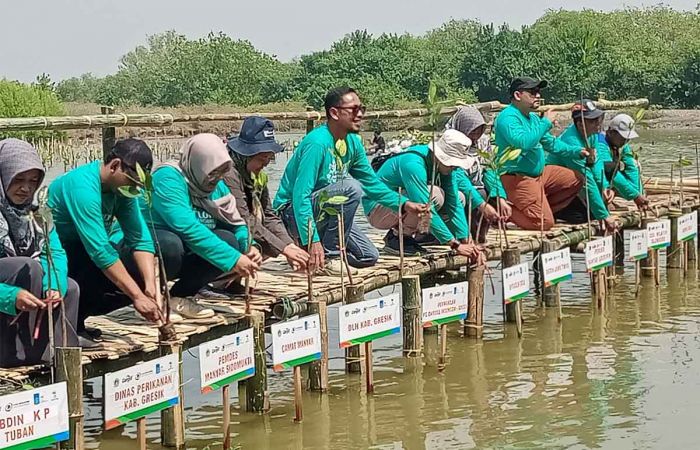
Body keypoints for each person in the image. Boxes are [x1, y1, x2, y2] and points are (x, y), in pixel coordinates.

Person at [273, 87, 428, 274]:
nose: (360, 114)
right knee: (351, 188)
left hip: (328, 212)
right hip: (292, 216)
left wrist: (404, 204)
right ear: (334, 113)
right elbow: (300, 196)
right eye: (353, 109)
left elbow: (372, 184)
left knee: (368, 256)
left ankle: (317, 256)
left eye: (362, 108)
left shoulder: (353, 142)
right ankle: (330, 255)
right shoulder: (317, 143)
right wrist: (311, 239)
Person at [48, 139, 161, 340]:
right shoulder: (83, 187)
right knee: (98, 263)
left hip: (86, 249)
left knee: (135, 272)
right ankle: (69, 326)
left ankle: (79, 319)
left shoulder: (123, 191)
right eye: (132, 182)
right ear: (115, 165)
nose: (134, 189)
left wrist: (149, 287)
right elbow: (99, 250)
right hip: (59, 252)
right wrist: (137, 296)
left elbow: (140, 238)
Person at [146, 133, 259, 316]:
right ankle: (151, 298)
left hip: (186, 250)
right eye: (212, 172)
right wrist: (234, 259)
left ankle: (180, 296)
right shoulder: (168, 178)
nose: (218, 178)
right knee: (169, 243)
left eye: (222, 172)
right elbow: (187, 227)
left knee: (229, 240)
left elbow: (236, 224)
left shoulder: (215, 187)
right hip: (152, 250)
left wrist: (249, 247)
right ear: (199, 164)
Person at [0, 139, 83, 366]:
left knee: (70, 287)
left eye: (33, 181)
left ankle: (58, 354)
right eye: (17, 180)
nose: (26, 188)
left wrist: (54, 286)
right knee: (28, 266)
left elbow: (54, 252)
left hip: (24, 283)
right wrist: (10, 296)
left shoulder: (38, 215)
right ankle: (12, 353)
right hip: (4, 291)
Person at [366, 129, 485, 263]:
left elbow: (454, 203)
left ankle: (423, 234)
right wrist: (454, 244)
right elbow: (423, 206)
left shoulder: (444, 168)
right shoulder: (413, 164)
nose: (454, 168)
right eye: (453, 164)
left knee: (460, 197)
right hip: (377, 209)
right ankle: (398, 237)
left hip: (403, 207)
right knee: (434, 195)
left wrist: (466, 241)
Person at [495, 77, 585, 231]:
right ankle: (503, 212)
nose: (538, 95)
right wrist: (546, 123)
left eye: (538, 92)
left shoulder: (533, 118)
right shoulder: (508, 117)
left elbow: (552, 144)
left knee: (576, 179)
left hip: (539, 175)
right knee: (544, 224)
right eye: (532, 92)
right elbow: (523, 142)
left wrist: (577, 152)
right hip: (518, 178)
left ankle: (539, 206)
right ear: (518, 95)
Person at [225, 117, 309, 270]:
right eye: (262, 158)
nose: (265, 164)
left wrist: (289, 244)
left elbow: (269, 214)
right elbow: (245, 219)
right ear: (246, 154)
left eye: (269, 158)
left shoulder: (258, 175)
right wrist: (283, 248)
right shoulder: (228, 173)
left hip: (246, 229)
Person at [548, 100, 617, 231]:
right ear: (580, 124)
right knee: (585, 216)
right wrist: (604, 215)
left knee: (593, 212)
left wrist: (604, 187)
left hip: (573, 187)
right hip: (557, 189)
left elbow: (596, 165)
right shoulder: (571, 141)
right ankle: (554, 208)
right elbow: (587, 179)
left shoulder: (592, 136)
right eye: (593, 121)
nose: (598, 124)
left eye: (598, 119)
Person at [446, 106, 510, 242]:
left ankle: (480, 237)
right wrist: (481, 204)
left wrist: (500, 198)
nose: (475, 135)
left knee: (489, 195)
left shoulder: (483, 142)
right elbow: (458, 177)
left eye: (479, 130)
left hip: (476, 184)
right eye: (472, 131)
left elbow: (489, 169)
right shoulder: (451, 142)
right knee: (474, 196)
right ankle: (462, 236)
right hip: (454, 186)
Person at [597, 114, 648, 210]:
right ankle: (602, 200)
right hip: (599, 180)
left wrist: (638, 193)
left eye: (627, 139)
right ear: (611, 132)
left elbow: (631, 167)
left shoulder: (623, 145)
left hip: (610, 179)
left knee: (636, 166)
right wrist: (635, 196)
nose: (625, 141)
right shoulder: (600, 143)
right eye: (622, 137)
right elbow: (610, 172)